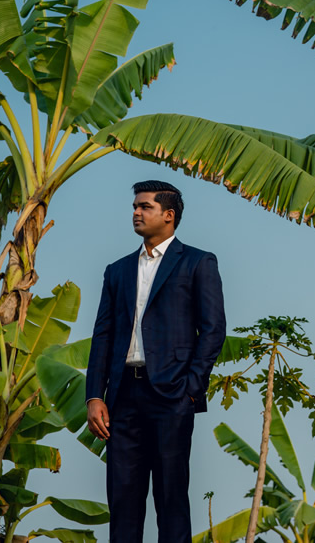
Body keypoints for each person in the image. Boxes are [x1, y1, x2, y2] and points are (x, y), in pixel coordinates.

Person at [85, 181, 227, 542]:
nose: (136, 212)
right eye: (135, 206)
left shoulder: (198, 262)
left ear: (169, 215)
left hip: (172, 395)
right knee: (123, 501)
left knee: (171, 498)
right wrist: (94, 396)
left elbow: (213, 330)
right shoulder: (116, 270)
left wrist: (191, 389)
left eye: (145, 207)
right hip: (122, 397)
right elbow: (102, 335)